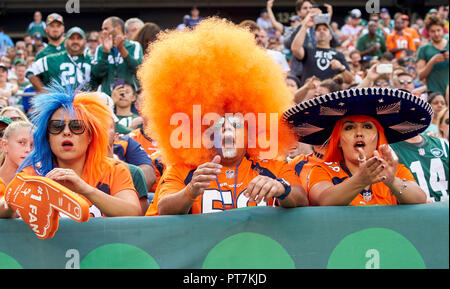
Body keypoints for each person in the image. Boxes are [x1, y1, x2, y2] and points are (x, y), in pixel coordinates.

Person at [137, 18, 308, 215]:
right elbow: (164, 207)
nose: (227, 129)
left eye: (236, 124)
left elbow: (301, 199)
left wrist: (282, 190)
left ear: (251, 131)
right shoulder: (185, 169)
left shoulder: (272, 166)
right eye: (217, 124)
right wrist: (190, 191)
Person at [284, 87, 429, 206]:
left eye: (367, 126)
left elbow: (420, 199)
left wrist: (392, 182)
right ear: (338, 140)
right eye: (349, 128)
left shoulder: (394, 171)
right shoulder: (322, 170)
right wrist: (360, 180)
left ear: (378, 137)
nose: (359, 133)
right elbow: (324, 200)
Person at [17, 85, 141, 217]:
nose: (66, 132)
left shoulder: (114, 169)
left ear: (90, 136)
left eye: (76, 126)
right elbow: (5, 207)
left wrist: (85, 189)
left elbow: (133, 212)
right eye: (56, 127)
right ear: (47, 136)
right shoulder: (34, 172)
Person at [291, 13, 353, 86]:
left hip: (330, 94)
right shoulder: (308, 51)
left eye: (325, 29)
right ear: (315, 36)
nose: (321, 31)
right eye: (318, 30)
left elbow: (350, 80)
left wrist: (341, 67)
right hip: (310, 94)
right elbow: (295, 49)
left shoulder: (338, 54)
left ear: (330, 36)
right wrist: (305, 26)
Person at [26, 27, 93, 93]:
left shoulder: (92, 60)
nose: (75, 41)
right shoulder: (54, 59)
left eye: (79, 38)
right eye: (71, 38)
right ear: (65, 42)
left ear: (85, 42)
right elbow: (31, 71)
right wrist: (42, 90)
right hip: (61, 103)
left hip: (87, 102)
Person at [92, 16, 143, 96]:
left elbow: (138, 70)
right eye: (102, 29)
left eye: (106, 29)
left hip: (129, 99)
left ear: (118, 28)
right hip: (107, 98)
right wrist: (105, 52)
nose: (103, 32)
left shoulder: (134, 46)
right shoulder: (101, 48)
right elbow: (96, 75)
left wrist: (122, 50)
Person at [0, 121, 33, 218]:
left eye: (32, 145)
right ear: (4, 145)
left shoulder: (38, 180)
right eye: (21, 143)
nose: (28, 149)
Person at [416, 14, 449, 96]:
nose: (436, 34)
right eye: (433, 31)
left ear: (443, 30)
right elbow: (420, 76)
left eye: (438, 30)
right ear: (428, 32)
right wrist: (432, 61)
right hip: (434, 94)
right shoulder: (423, 49)